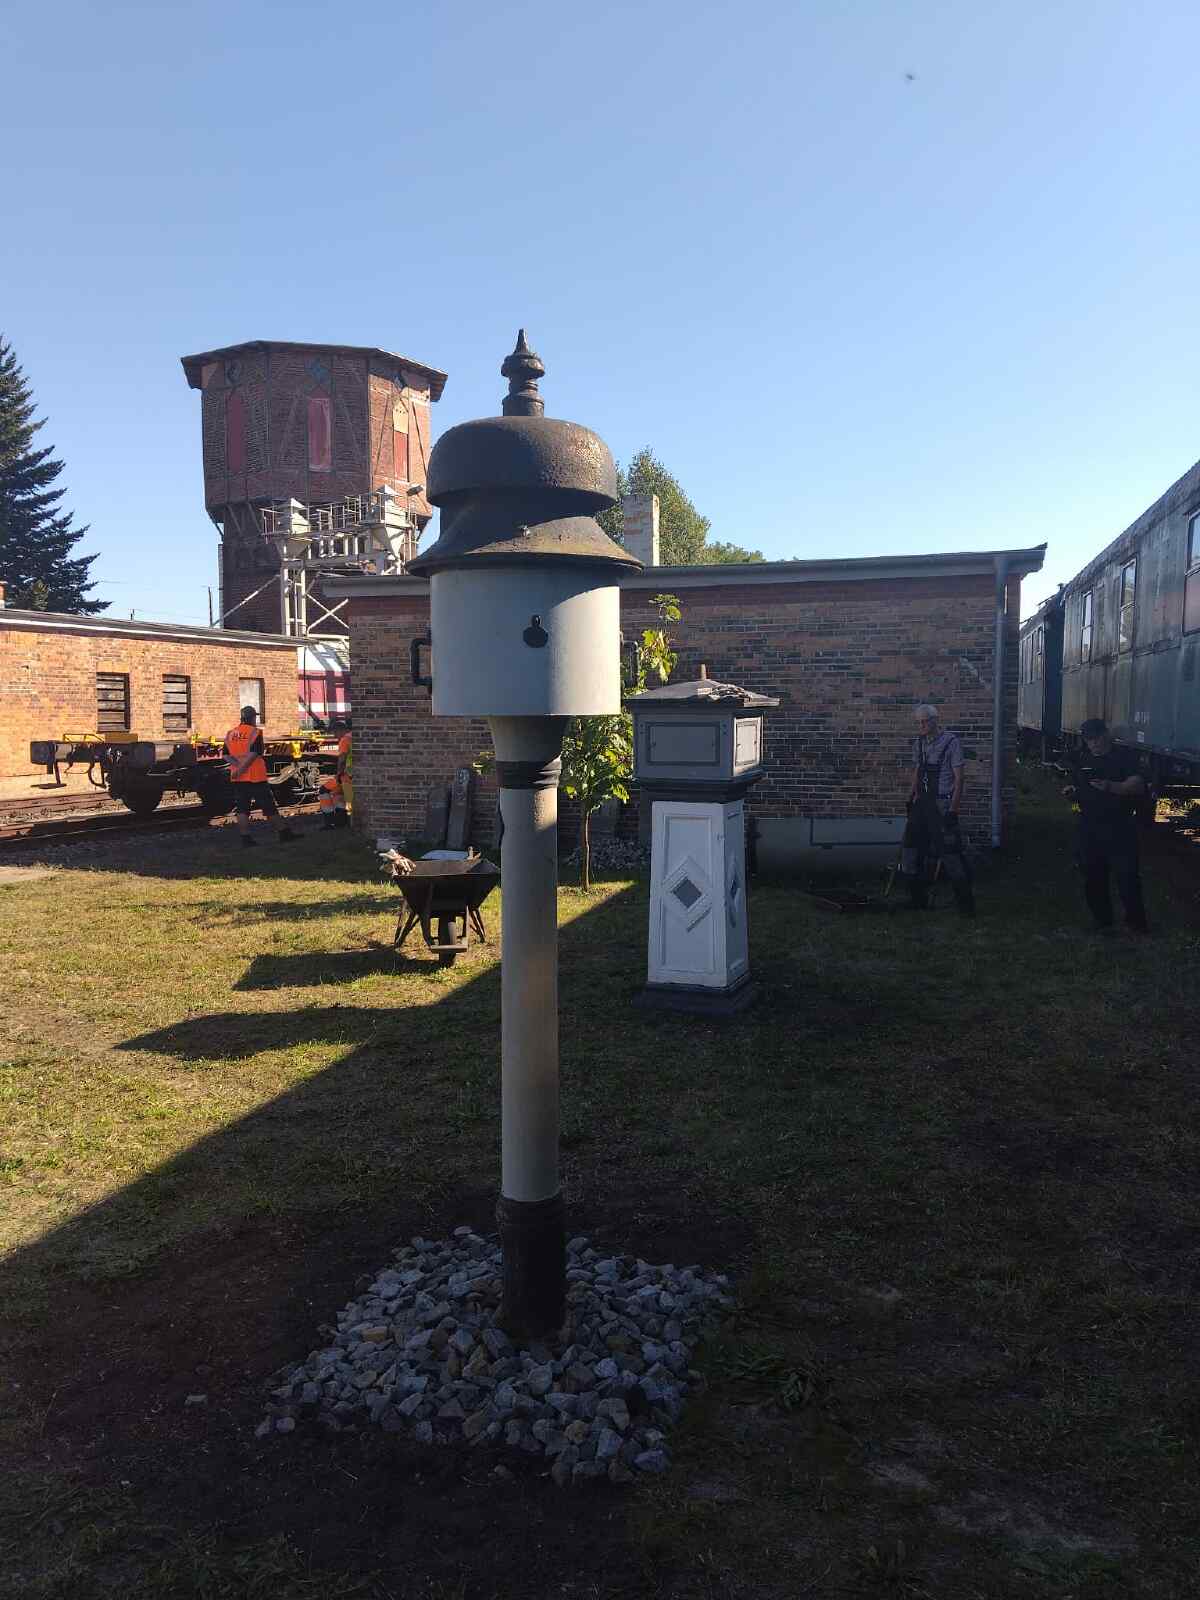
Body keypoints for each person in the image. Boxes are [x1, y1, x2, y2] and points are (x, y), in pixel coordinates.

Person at [1063, 717, 1148, 935]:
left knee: (1127, 876)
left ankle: (1136, 923)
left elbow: (1138, 784)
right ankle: (1102, 920)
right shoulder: (1082, 758)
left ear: (1106, 735)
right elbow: (1077, 784)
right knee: (1093, 875)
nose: (1093, 744)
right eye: (1089, 740)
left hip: (1119, 825)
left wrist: (1112, 787)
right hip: (1090, 825)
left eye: (1096, 738)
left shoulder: (1123, 757)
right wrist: (1072, 793)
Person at [900, 703, 975, 916]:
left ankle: (966, 907)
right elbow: (918, 771)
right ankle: (917, 900)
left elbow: (959, 780)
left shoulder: (951, 743)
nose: (921, 726)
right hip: (921, 804)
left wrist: (953, 811)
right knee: (911, 850)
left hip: (942, 806)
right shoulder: (919, 743)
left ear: (935, 720)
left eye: (925, 722)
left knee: (950, 855)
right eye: (919, 723)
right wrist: (911, 797)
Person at [223, 706, 298, 849]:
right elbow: (254, 754)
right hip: (256, 777)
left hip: (238, 778)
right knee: (269, 807)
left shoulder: (230, 734)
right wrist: (243, 768)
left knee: (242, 808)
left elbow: (225, 755)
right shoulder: (255, 732)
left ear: (241, 718)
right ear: (252, 718)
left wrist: (238, 767)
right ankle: (284, 833)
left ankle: (246, 839)